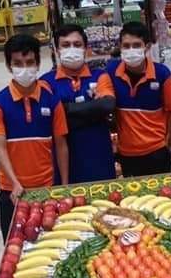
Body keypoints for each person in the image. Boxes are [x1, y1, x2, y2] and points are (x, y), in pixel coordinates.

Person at [0, 33, 69, 241]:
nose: (24, 68)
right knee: (14, 245)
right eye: (18, 63)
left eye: (30, 62)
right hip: (12, 191)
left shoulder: (52, 101)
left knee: (48, 243)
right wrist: (15, 184)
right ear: (8, 66)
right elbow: (0, 148)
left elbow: (61, 145)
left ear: (38, 64)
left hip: (46, 188)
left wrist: (65, 185)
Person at [42, 24, 116, 184]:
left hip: (99, 158)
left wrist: (65, 109)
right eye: (65, 45)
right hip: (64, 162)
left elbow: (107, 105)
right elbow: (49, 119)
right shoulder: (45, 83)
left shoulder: (100, 76)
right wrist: (94, 113)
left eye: (77, 44)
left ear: (86, 48)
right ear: (57, 50)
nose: (71, 49)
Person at [105, 21, 171, 177]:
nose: (131, 50)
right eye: (126, 46)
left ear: (147, 47)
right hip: (126, 153)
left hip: (157, 150)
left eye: (136, 45)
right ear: (120, 47)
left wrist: (168, 143)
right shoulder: (111, 72)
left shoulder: (162, 74)